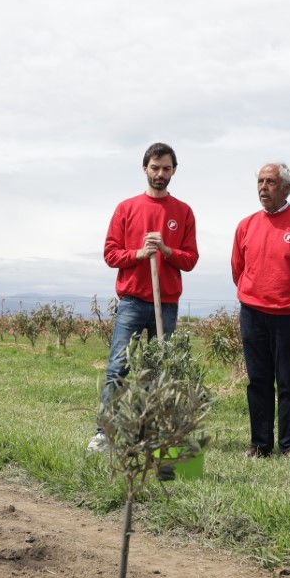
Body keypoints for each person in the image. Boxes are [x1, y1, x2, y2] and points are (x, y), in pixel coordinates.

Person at [87, 142, 199, 452]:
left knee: (157, 369)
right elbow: (111, 254)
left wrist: (166, 250)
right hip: (133, 301)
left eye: (166, 168)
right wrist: (139, 253)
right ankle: (104, 434)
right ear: (145, 169)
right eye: (155, 167)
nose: (160, 173)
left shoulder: (183, 212)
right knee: (118, 367)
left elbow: (190, 260)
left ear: (174, 171)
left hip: (167, 304)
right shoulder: (127, 208)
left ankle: (148, 434)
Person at [231, 162, 290, 457]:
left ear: (286, 188)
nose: (263, 187)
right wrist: (254, 295)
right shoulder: (246, 225)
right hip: (252, 314)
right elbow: (238, 269)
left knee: (287, 381)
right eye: (260, 181)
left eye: (270, 182)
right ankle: (260, 444)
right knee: (257, 381)